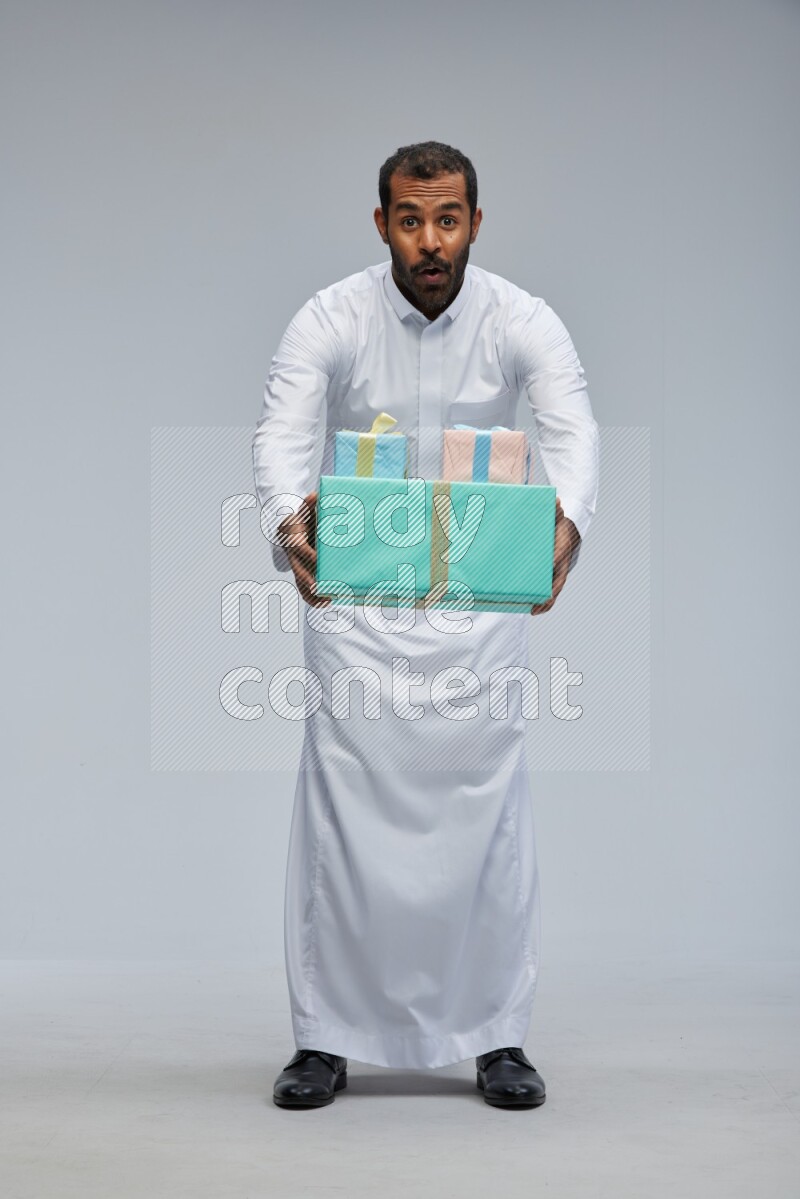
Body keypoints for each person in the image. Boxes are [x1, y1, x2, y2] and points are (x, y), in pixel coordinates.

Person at [251, 141, 599, 1110]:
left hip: (475, 612)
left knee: (487, 822)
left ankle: (496, 1036)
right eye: (410, 219)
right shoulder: (331, 315)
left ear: (475, 223)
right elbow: (281, 426)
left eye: (447, 218)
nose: (429, 239)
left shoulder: (520, 319)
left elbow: (570, 422)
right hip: (357, 611)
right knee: (340, 823)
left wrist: (567, 517)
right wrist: (287, 516)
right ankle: (323, 1039)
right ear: (381, 225)